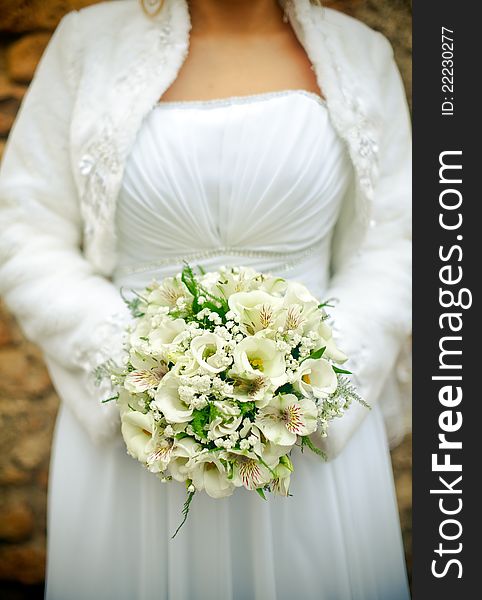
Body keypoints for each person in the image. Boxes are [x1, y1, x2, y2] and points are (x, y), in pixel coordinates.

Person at [0, 0, 412, 598]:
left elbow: (397, 241)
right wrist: (140, 371)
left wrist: (308, 375)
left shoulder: (360, 54)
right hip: (137, 434)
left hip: (305, 433)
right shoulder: (88, 44)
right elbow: (24, 231)